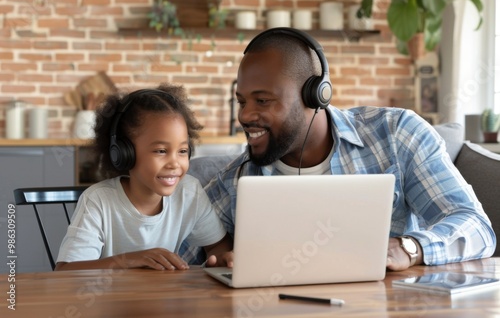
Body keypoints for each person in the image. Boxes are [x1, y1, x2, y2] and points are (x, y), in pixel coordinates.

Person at [186, 28, 496, 271]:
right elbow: (174, 255)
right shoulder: (237, 180)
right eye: (242, 101)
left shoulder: (396, 135)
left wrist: (409, 248)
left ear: (315, 96)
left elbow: (476, 226)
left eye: (263, 100)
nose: (244, 115)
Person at [55, 83, 233, 271]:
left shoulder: (189, 192)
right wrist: (129, 260)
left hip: (162, 298)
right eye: (161, 151)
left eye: (182, 151)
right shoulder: (98, 201)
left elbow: (218, 246)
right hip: (107, 299)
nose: (174, 163)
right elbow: (65, 271)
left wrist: (221, 259)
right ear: (124, 153)